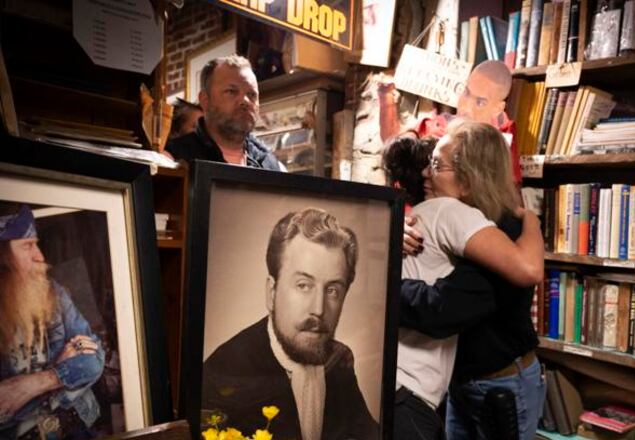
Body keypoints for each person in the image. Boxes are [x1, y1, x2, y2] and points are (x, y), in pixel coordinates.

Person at [388, 122, 543, 440]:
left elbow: (439, 309)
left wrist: (378, 285)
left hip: (501, 383)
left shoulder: (502, 233)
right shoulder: (458, 223)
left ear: (469, 180)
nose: (425, 175)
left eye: (436, 165)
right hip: (462, 383)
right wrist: (391, 230)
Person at [202, 208, 378, 440]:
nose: (318, 309)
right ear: (271, 292)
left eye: (333, 290)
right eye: (303, 285)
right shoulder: (222, 372)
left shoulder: (339, 360)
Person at [0, 205, 105, 439]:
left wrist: (36, 383)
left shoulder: (54, 292)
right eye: (27, 246)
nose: (40, 256)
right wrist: (63, 375)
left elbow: (94, 360)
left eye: (36, 243)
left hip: (76, 425)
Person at [378, 60, 521, 181]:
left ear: (498, 108)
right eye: (466, 93)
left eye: (480, 102)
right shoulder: (438, 125)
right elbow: (393, 146)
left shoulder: (503, 140)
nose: (466, 107)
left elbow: (509, 195)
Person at [165, 55, 283, 170]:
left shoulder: (269, 164)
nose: (245, 101)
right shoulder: (174, 159)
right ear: (205, 100)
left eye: (252, 94)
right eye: (232, 91)